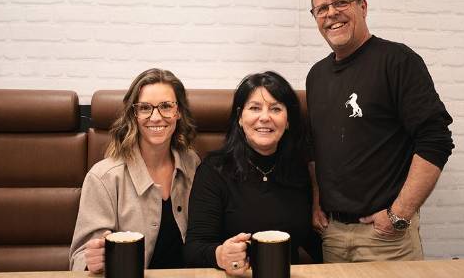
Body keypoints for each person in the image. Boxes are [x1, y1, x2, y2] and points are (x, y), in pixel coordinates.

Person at [306, 0, 454, 262]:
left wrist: (398, 215)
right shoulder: (316, 76)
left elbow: (436, 140)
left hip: (386, 239)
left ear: (363, 6)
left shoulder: (398, 61)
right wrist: (316, 201)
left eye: (341, 2)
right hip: (332, 236)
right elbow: (314, 147)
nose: (331, 13)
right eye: (321, 8)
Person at [69, 68, 201, 271]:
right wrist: (92, 261)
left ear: (179, 112)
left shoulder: (193, 164)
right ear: (134, 114)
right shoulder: (103, 177)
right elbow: (78, 260)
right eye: (145, 108)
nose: (156, 117)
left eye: (166, 106)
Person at [184, 71, 311, 275]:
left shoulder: (300, 170)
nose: (264, 117)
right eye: (254, 108)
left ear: (288, 121)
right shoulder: (214, 170)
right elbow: (193, 249)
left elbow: (313, 241)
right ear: (240, 118)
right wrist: (220, 254)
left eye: (276, 109)